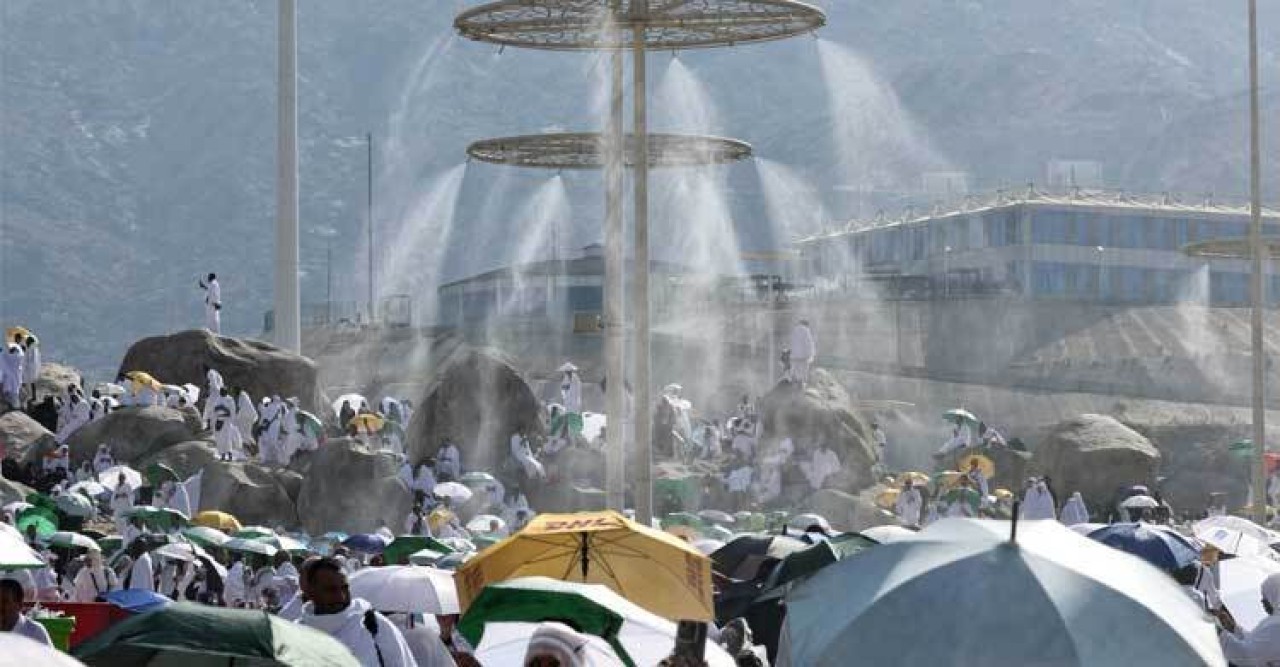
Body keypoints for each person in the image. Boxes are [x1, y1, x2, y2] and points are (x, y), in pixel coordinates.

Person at [297, 557, 418, 667]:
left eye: (345, 588)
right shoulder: (297, 633)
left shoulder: (373, 625)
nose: (341, 597)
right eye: (331, 590)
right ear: (310, 592)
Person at [1218, 572, 1280, 664]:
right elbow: (1257, 643)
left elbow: (1246, 656)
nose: (1262, 601)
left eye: (1265, 596)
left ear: (1275, 596)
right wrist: (1234, 629)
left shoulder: (1276, 627)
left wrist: (1219, 634)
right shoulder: (1275, 623)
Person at [0, 579, 52, 646]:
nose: (1, 606)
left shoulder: (35, 633)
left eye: (5, 601)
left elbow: (49, 656)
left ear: (20, 605)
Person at [787, 319, 815, 386]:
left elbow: (790, 343)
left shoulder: (794, 330)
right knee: (803, 370)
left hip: (794, 355)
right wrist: (811, 354)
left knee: (795, 368)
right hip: (803, 356)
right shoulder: (806, 331)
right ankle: (801, 383)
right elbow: (809, 343)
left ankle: (793, 381)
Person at [0, 336, 24, 406]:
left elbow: (3, 366)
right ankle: (15, 406)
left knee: (10, 395)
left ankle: (13, 407)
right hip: (16, 379)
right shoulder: (19, 356)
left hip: (9, 379)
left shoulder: (7, 357)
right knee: (15, 394)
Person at [21, 336, 40, 403]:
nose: (26, 342)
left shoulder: (33, 349)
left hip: (31, 369)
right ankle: (29, 396)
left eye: (27, 341)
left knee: (30, 382)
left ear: (30, 342)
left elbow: (33, 361)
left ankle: (31, 397)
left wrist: (27, 365)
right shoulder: (31, 348)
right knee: (30, 382)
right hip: (29, 368)